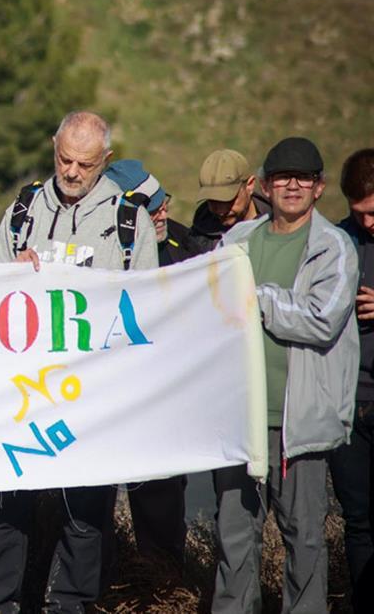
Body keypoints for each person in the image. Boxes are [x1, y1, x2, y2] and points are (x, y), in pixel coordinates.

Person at [0, 111, 158, 613]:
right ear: (52, 147)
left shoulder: (130, 222)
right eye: (64, 159)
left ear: (105, 160)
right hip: (20, 390)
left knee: (84, 514)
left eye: (85, 163)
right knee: (5, 508)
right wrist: (7, 275)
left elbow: (145, 309)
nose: (73, 171)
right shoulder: (22, 211)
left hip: (93, 395)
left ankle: (69, 606)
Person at [213, 137, 358, 614]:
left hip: (300, 423)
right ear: (266, 186)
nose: (291, 185)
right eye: (281, 177)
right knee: (234, 541)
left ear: (319, 188)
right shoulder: (235, 243)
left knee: (305, 543)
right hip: (240, 418)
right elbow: (211, 309)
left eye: (303, 177)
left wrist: (255, 297)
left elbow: (321, 318)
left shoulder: (333, 247)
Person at [104, 159, 203, 571]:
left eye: (164, 203)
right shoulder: (100, 250)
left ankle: (164, 581)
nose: (162, 214)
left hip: (163, 397)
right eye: (151, 207)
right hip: (106, 396)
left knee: (160, 499)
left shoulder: (183, 245)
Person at [329, 147, 374, 611]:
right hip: (347, 401)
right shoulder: (337, 241)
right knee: (357, 520)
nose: (367, 223)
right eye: (358, 214)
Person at [191, 149, 270, 249]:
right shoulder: (196, 238)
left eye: (228, 200)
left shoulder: (278, 227)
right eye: (212, 201)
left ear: (250, 185)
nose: (221, 211)